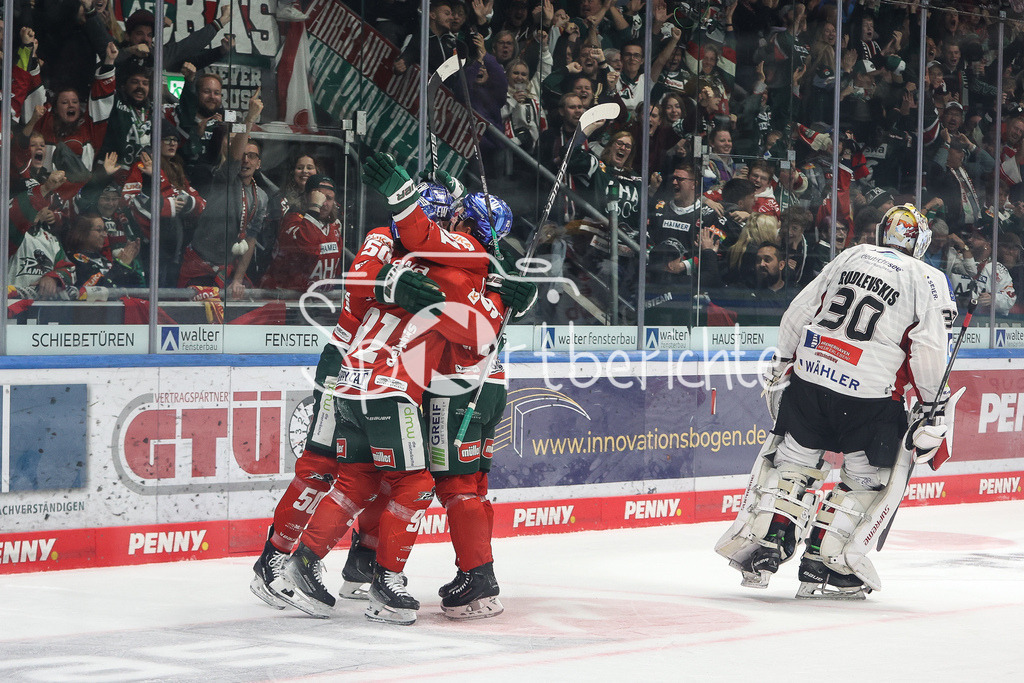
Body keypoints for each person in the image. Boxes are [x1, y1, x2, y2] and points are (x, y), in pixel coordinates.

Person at [716, 204, 958, 599]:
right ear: (922, 241)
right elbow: (928, 350)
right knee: (865, 481)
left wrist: (782, 361)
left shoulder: (853, 254)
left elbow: (800, 311)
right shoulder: (928, 278)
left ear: (883, 232)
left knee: (792, 464)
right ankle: (825, 560)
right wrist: (932, 406)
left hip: (810, 379)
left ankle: (767, 540)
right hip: (869, 396)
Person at [178, 90, 267, 298]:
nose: (245, 160)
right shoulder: (221, 177)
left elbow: (251, 239)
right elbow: (234, 160)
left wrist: (237, 279)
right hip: (199, 266)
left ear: (259, 163)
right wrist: (249, 118)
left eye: (252, 156)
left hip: (228, 271)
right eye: (243, 155)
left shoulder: (261, 196)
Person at [122, 123, 207, 287]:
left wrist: (188, 203)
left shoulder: (176, 168)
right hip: (150, 248)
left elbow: (202, 204)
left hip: (177, 251)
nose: (172, 143)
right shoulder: (143, 166)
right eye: (167, 139)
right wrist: (169, 206)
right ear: (155, 142)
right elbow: (128, 201)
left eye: (175, 140)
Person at [260, 175, 342, 292]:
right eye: (319, 197)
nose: (324, 203)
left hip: (320, 301)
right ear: (307, 197)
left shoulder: (335, 226)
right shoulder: (292, 220)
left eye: (329, 198)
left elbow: (336, 268)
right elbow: (308, 246)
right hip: (289, 300)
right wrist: (314, 208)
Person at [64, 212, 144, 289]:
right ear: (83, 232)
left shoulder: (105, 260)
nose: (105, 235)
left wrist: (129, 262)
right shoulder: (74, 261)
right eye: (99, 230)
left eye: (104, 230)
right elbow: (98, 290)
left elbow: (136, 286)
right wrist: (121, 265)